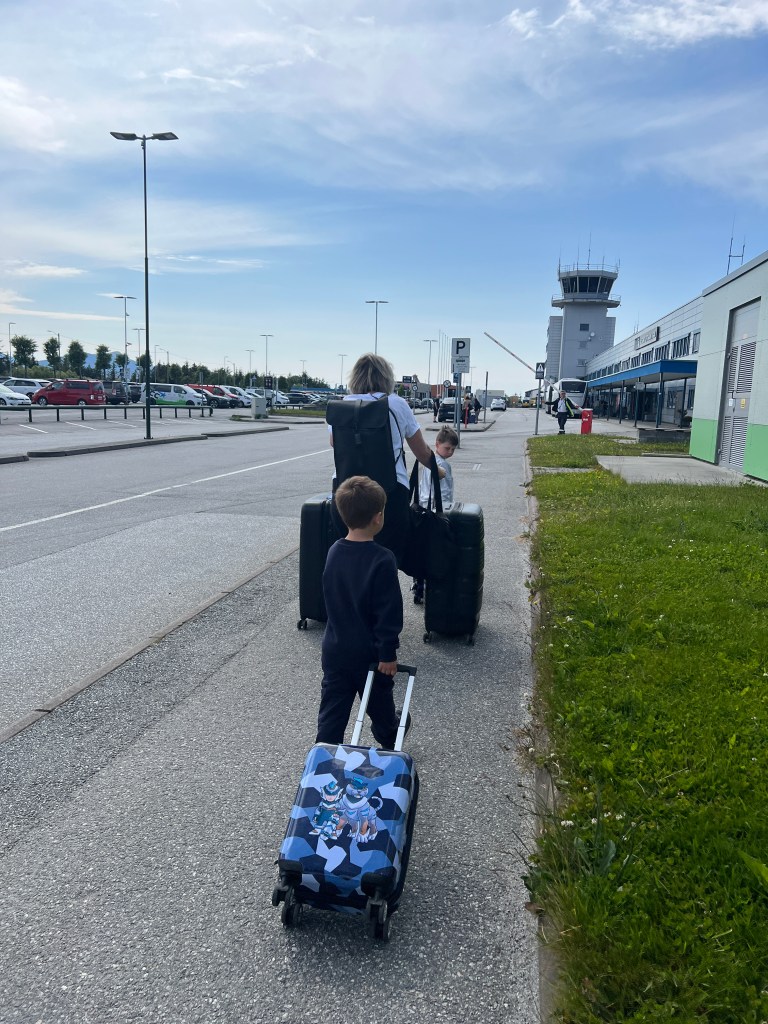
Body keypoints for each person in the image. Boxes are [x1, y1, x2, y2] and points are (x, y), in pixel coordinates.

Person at [329, 353, 444, 565]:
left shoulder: (342, 405)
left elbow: (334, 443)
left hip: (344, 494)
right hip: (390, 496)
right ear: (386, 378)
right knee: (387, 558)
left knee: (353, 558)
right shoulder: (397, 404)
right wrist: (438, 469)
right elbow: (421, 452)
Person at [315, 475, 404, 748]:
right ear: (378, 518)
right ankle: (390, 740)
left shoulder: (333, 552)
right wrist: (387, 653)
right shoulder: (383, 559)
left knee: (333, 709)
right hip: (370, 656)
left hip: (336, 650)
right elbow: (388, 613)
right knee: (379, 705)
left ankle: (325, 752)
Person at [412, 425, 458, 605]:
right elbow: (443, 492)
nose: (450, 452)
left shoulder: (429, 460)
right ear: (437, 444)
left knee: (422, 547)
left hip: (423, 508)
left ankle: (418, 582)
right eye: (447, 448)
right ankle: (432, 582)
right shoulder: (441, 465)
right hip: (436, 510)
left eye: (453, 449)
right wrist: (447, 510)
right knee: (435, 548)